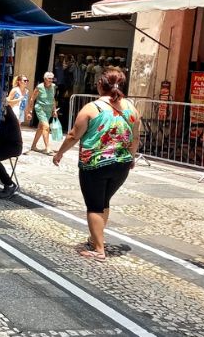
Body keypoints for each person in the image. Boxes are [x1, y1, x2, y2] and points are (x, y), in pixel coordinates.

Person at [52, 69, 140, 261]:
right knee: (104, 202)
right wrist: (131, 158)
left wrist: (60, 153)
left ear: (100, 84)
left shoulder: (92, 108)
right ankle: (96, 238)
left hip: (95, 164)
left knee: (94, 205)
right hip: (121, 165)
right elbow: (135, 138)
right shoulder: (132, 109)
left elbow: (74, 135)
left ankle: (99, 249)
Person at [26, 72, 58, 154]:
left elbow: (53, 99)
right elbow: (32, 99)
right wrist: (30, 111)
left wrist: (54, 110)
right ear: (45, 79)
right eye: (49, 78)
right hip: (40, 109)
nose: (51, 80)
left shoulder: (53, 86)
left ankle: (33, 146)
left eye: (52, 78)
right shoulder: (39, 87)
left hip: (49, 109)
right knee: (46, 127)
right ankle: (47, 147)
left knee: (41, 128)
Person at [0, 102, 23, 199]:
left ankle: (10, 184)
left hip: (13, 146)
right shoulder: (4, 113)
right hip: (5, 144)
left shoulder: (6, 112)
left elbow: (3, 133)